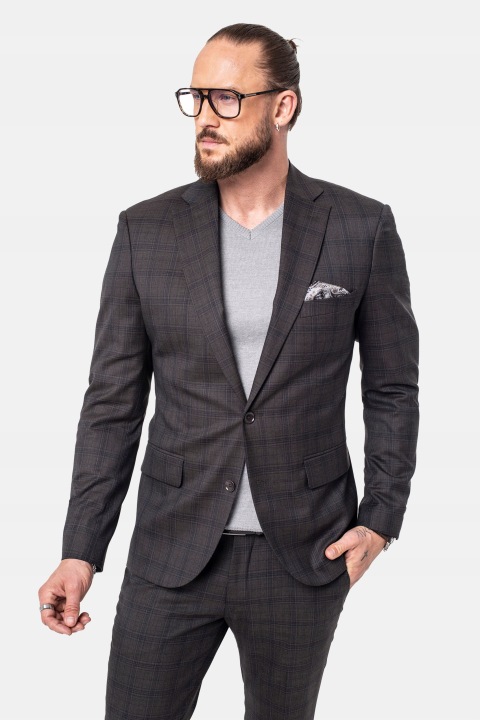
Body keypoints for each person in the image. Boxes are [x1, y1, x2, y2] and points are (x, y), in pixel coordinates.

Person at [38, 22, 419, 720]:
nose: (205, 117)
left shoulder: (359, 228)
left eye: (227, 98)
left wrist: (381, 519)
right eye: (196, 97)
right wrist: (80, 550)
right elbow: (112, 403)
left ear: (283, 107)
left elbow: (392, 387)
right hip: (171, 548)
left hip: (303, 552)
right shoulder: (145, 231)